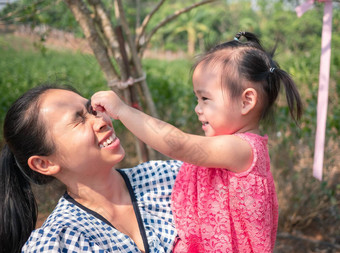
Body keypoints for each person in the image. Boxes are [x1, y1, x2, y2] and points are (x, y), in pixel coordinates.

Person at [90, 31, 303, 252]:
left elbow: (177, 144)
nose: (197, 109)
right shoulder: (229, 145)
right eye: (197, 98)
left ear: (246, 101)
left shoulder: (242, 148)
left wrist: (123, 111)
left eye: (205, 99)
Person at [0, 84, 182, 253]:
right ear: (44, 164)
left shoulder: (167, 178)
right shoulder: (59, 243)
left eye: (92, 110)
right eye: (79, 120)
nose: (101, 121)